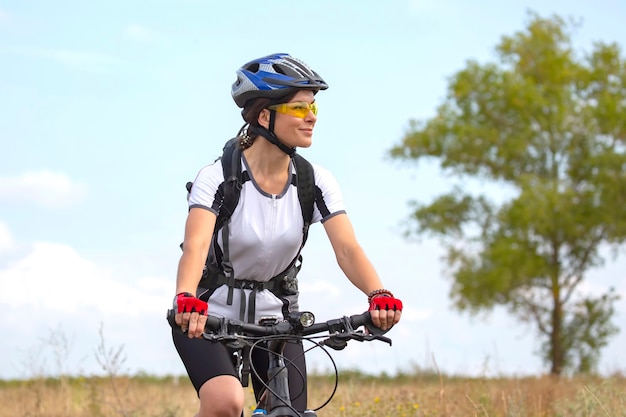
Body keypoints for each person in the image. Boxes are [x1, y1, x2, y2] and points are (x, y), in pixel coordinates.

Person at [171, 53, 403, 417]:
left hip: (278, 322)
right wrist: (186, 297)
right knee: (225, 402)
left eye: (313, 108)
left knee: (290, 413)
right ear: (265, 116)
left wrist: (379, 294)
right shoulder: (218, 178)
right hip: (208, 317)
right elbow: (197, 245)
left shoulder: (315, 182)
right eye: (298, 109)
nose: (311, 117)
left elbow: (347, 248)